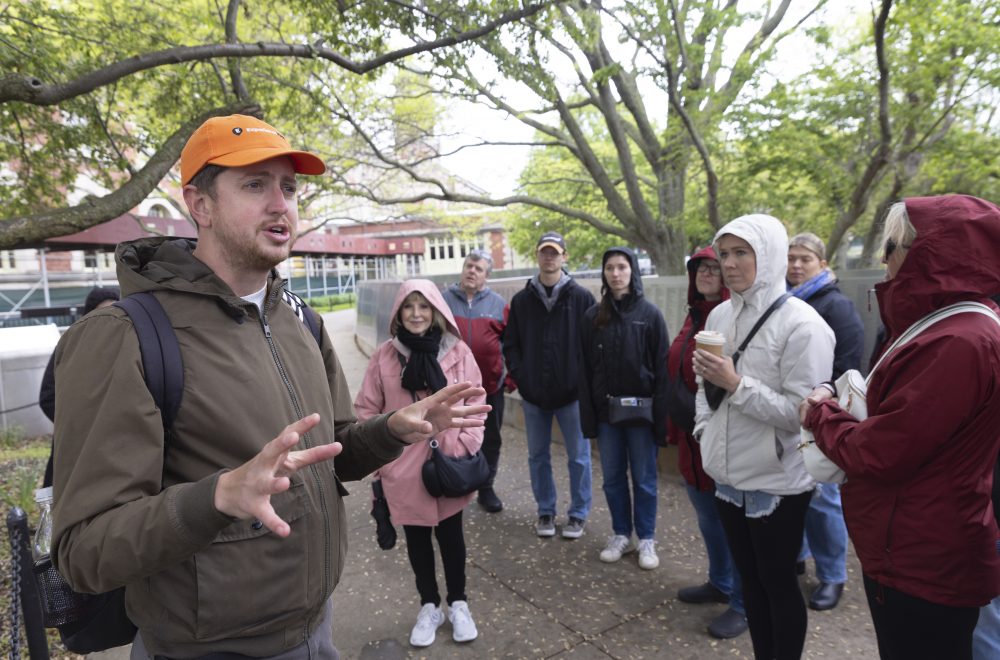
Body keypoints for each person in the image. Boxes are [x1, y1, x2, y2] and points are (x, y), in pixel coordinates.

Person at [50, 114, 489, 659]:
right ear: (200, 205)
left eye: (288, 187)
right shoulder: (125, 336)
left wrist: (392, 430)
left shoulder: (300, 319)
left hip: (314, 625)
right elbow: (84, 549)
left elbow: (331, 453)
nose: (280, 203)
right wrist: (217, 497)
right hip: (208, 648)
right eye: (255, 185)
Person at [801, 195, 1000, 660]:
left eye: (890, 245)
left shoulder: (959, 340)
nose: (882, 257)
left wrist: (819, 412)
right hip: (916, 543)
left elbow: (882, 451)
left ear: (926, 251)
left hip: (923, 556)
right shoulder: (952, 327)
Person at [693, 214, 834, 660]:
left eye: (742, 253)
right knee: (748, 581)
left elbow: (801, 416)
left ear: (768, 256)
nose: (729, 264)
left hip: (776, 483)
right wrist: (703, 431)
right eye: (725, 253)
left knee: (777, 583)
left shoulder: (803, 325)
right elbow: (703, 384)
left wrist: (736, 383)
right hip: (727, 475)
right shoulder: (719, 312)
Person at [354, 279, 485, 648]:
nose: (416, 313)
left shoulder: (457, 351)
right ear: (398, 312)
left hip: (449, 464)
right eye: (409, 306)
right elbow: (366, 411)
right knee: (417, 542)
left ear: (436, 312)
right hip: (404, 469)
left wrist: (464, 444)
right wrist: (383, 463)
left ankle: (458, 602)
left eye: (423, 306)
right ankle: (429, 605)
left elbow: (477, 400)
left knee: (452, 538)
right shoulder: (384, 356)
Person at [667, 247, 747, 639]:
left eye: (715, 267)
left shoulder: (735, 320)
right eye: (701, 268)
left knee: (733, 522)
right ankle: (720, 581)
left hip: (721, 437)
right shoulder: (694, 315)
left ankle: (744, 603)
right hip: (690, 439)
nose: (707, 273)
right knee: (707, 518)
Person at [787, 232, 864, 611]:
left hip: (824, 418)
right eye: (791, 258)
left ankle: (833, 575)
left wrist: (824, 405)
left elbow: (849, 366)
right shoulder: (785, 302)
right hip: (790, 415)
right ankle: (799, 557)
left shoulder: (836, 305)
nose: (796, 265)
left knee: (823, 502)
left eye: (805, 258)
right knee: (796, 495)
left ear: (822, 263)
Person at [579, 247, 669, 571]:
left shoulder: (650, 315)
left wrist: (662, 420)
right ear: (603, 274)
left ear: (633, 271)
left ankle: (646, 537)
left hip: (641, 416)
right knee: (613, 478)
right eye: (610, 268)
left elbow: (662, 369)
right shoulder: (593, 318)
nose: (616, 274)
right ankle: (621, 533)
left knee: (644, 479)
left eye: (622, 267)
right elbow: (584, 370)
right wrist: (588, 418)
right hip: (607, 416)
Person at [503, 231, 595, 539]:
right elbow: (511, 343)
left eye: (555, 252)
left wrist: (581, 382)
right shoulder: (522, 300)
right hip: (534, 395)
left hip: (571, 396)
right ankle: (546, 510)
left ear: (564, 257)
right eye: (545, 252)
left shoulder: (581, 298)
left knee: (579, 457)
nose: (549, 257)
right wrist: (521, 377)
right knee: (537, 455)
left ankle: (578, 513)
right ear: (538, 255)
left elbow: (593, 345)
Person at [444, 248, 509, 513]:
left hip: (490, 387)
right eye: (469, 266)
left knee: (490, 438)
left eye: (478, 268)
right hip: (450, 389)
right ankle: (451, 480)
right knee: (450, 436)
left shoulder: (498, 304)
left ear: (486, 276)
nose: (472, 271)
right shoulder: (442, 300)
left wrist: (509, 377)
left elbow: (511, 344)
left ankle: (486, 487)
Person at [38, 285, 121, 487]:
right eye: (103, 311)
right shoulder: (69, 346)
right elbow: (48, 397)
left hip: (114, 448)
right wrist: (80, 424)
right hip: (74, 444)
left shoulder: (126, 347)